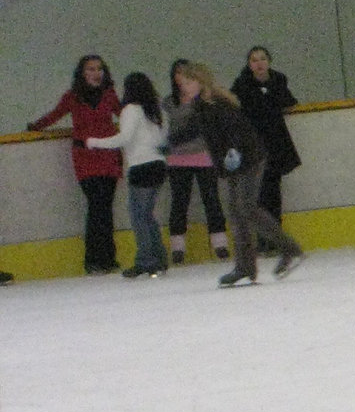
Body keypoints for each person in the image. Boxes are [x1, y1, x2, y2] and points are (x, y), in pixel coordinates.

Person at [166, 65, 304, 286]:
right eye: (182, 84)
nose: (184, 87)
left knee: (246, 208)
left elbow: (237, 130)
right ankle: (246, 267)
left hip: (248, 159)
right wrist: (170, 143)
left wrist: (234, 150)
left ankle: (289, 249)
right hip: (231, 164)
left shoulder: (216, 103)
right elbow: (193, 130)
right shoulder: (200, 106)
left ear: (201, 82)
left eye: (189, 82)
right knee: (237, 213)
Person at [27, 55, 122, 274]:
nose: (96, 73)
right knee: (96, 205)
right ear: (82, 73)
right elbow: (54, 115)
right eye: (91, 69)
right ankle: (93, 260)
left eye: (99, 69)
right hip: (85, 157)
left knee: (106, 208)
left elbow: (124, 114)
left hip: (108, 155)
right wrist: (35, 127)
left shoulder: (110, 95)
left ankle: (108, 258)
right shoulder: (72, 97)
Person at [86, 72, 169, 277]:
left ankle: (146, 260)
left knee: (139, 216)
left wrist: (95, 142)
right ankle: (159, 258)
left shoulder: (131, 110)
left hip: (141, 167)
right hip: (158, 164)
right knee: (147, 215)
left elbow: (124, 138)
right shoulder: (158, 110)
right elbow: (164, 139)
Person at [164, 60, 231, 266]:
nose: (181, 78)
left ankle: (220, 243)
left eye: (186, 74)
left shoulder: (203, 100)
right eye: (178, 73)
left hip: (204, 156)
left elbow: (204, 127)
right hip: (177, 159)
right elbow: (166, 129)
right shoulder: (168, 102)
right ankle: (177, 248)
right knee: (179, 202)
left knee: (211, 199)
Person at [232, 47, 302, 231]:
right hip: (254, 144)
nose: (259, 63)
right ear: (249, 64)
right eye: (254, 60)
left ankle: (276, 233)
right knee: (259, 193)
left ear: (269, 61)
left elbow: (289, 101)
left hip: (276, 143)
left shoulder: (278, 80)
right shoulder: (241, 85)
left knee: (274, 191)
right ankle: (264, 237)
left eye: (262, 59)